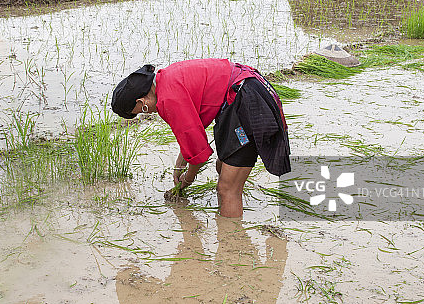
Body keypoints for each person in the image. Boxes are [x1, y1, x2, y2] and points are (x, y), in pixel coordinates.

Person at [111, 59, 290, 218]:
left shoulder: (168, 100)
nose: (150, 112)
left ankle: (232, 240)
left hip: (245, 99)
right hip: (239, 91)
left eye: (142, 111)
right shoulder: (166, 79)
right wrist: (179, 166)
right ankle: (228, 225)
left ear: (142, 102)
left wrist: (187, 180)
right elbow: (191, 132)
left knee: (227, 188)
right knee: (222, 166)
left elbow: (198, 154)